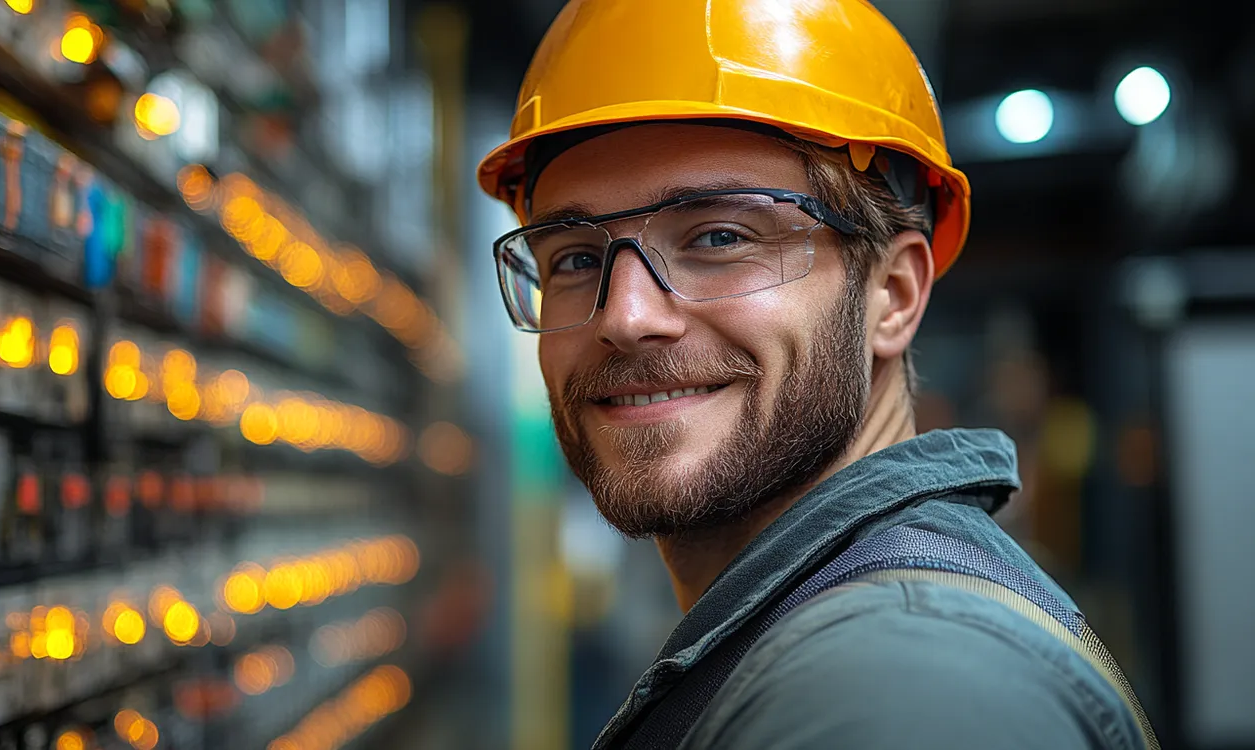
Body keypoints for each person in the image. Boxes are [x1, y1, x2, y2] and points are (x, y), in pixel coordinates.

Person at [475, 1, 1156, 748]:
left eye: (720, 236)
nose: (625, 316)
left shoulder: (899, 689)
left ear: (892, 295)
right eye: (574, 259)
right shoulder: (828, 635)